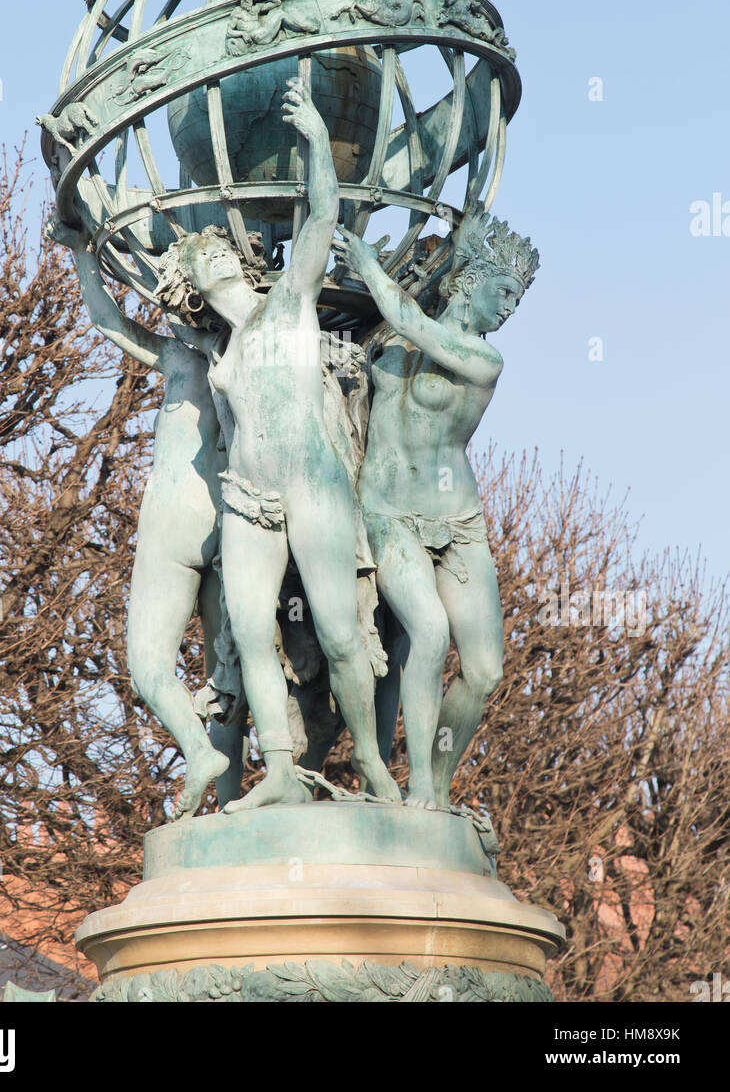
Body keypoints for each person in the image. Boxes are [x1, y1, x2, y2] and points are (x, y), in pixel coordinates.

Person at [152, 80, 400, 811]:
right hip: (250, 502)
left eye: (211, 257)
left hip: (313, 489)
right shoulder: (217, 350)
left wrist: (321, 139)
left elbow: (322, 213)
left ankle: (378, 772)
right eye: (203, 263)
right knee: (252, 637)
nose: (212, 263)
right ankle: (283, 772)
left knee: (342, 633)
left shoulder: (289, 302)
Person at [332, 207, 539, 808]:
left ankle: (440, 783)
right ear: (469, 281)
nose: (508, 312)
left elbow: (408, 319)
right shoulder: (385, 333)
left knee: (485, 671)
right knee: (427, 630)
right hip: (389, 513)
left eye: (516, 302)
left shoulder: (482, 359)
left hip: (457, 522)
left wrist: (371, 267)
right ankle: (419, 783)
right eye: (503, 293)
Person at [45, 217, 246, 818]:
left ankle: (198, 752)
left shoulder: (182, 360)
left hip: (175, 514)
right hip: (233, 519)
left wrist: (81, 251)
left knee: (149, 665)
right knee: (225, 673)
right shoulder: (258, 349)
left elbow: (105, 320)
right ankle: (234, 804)